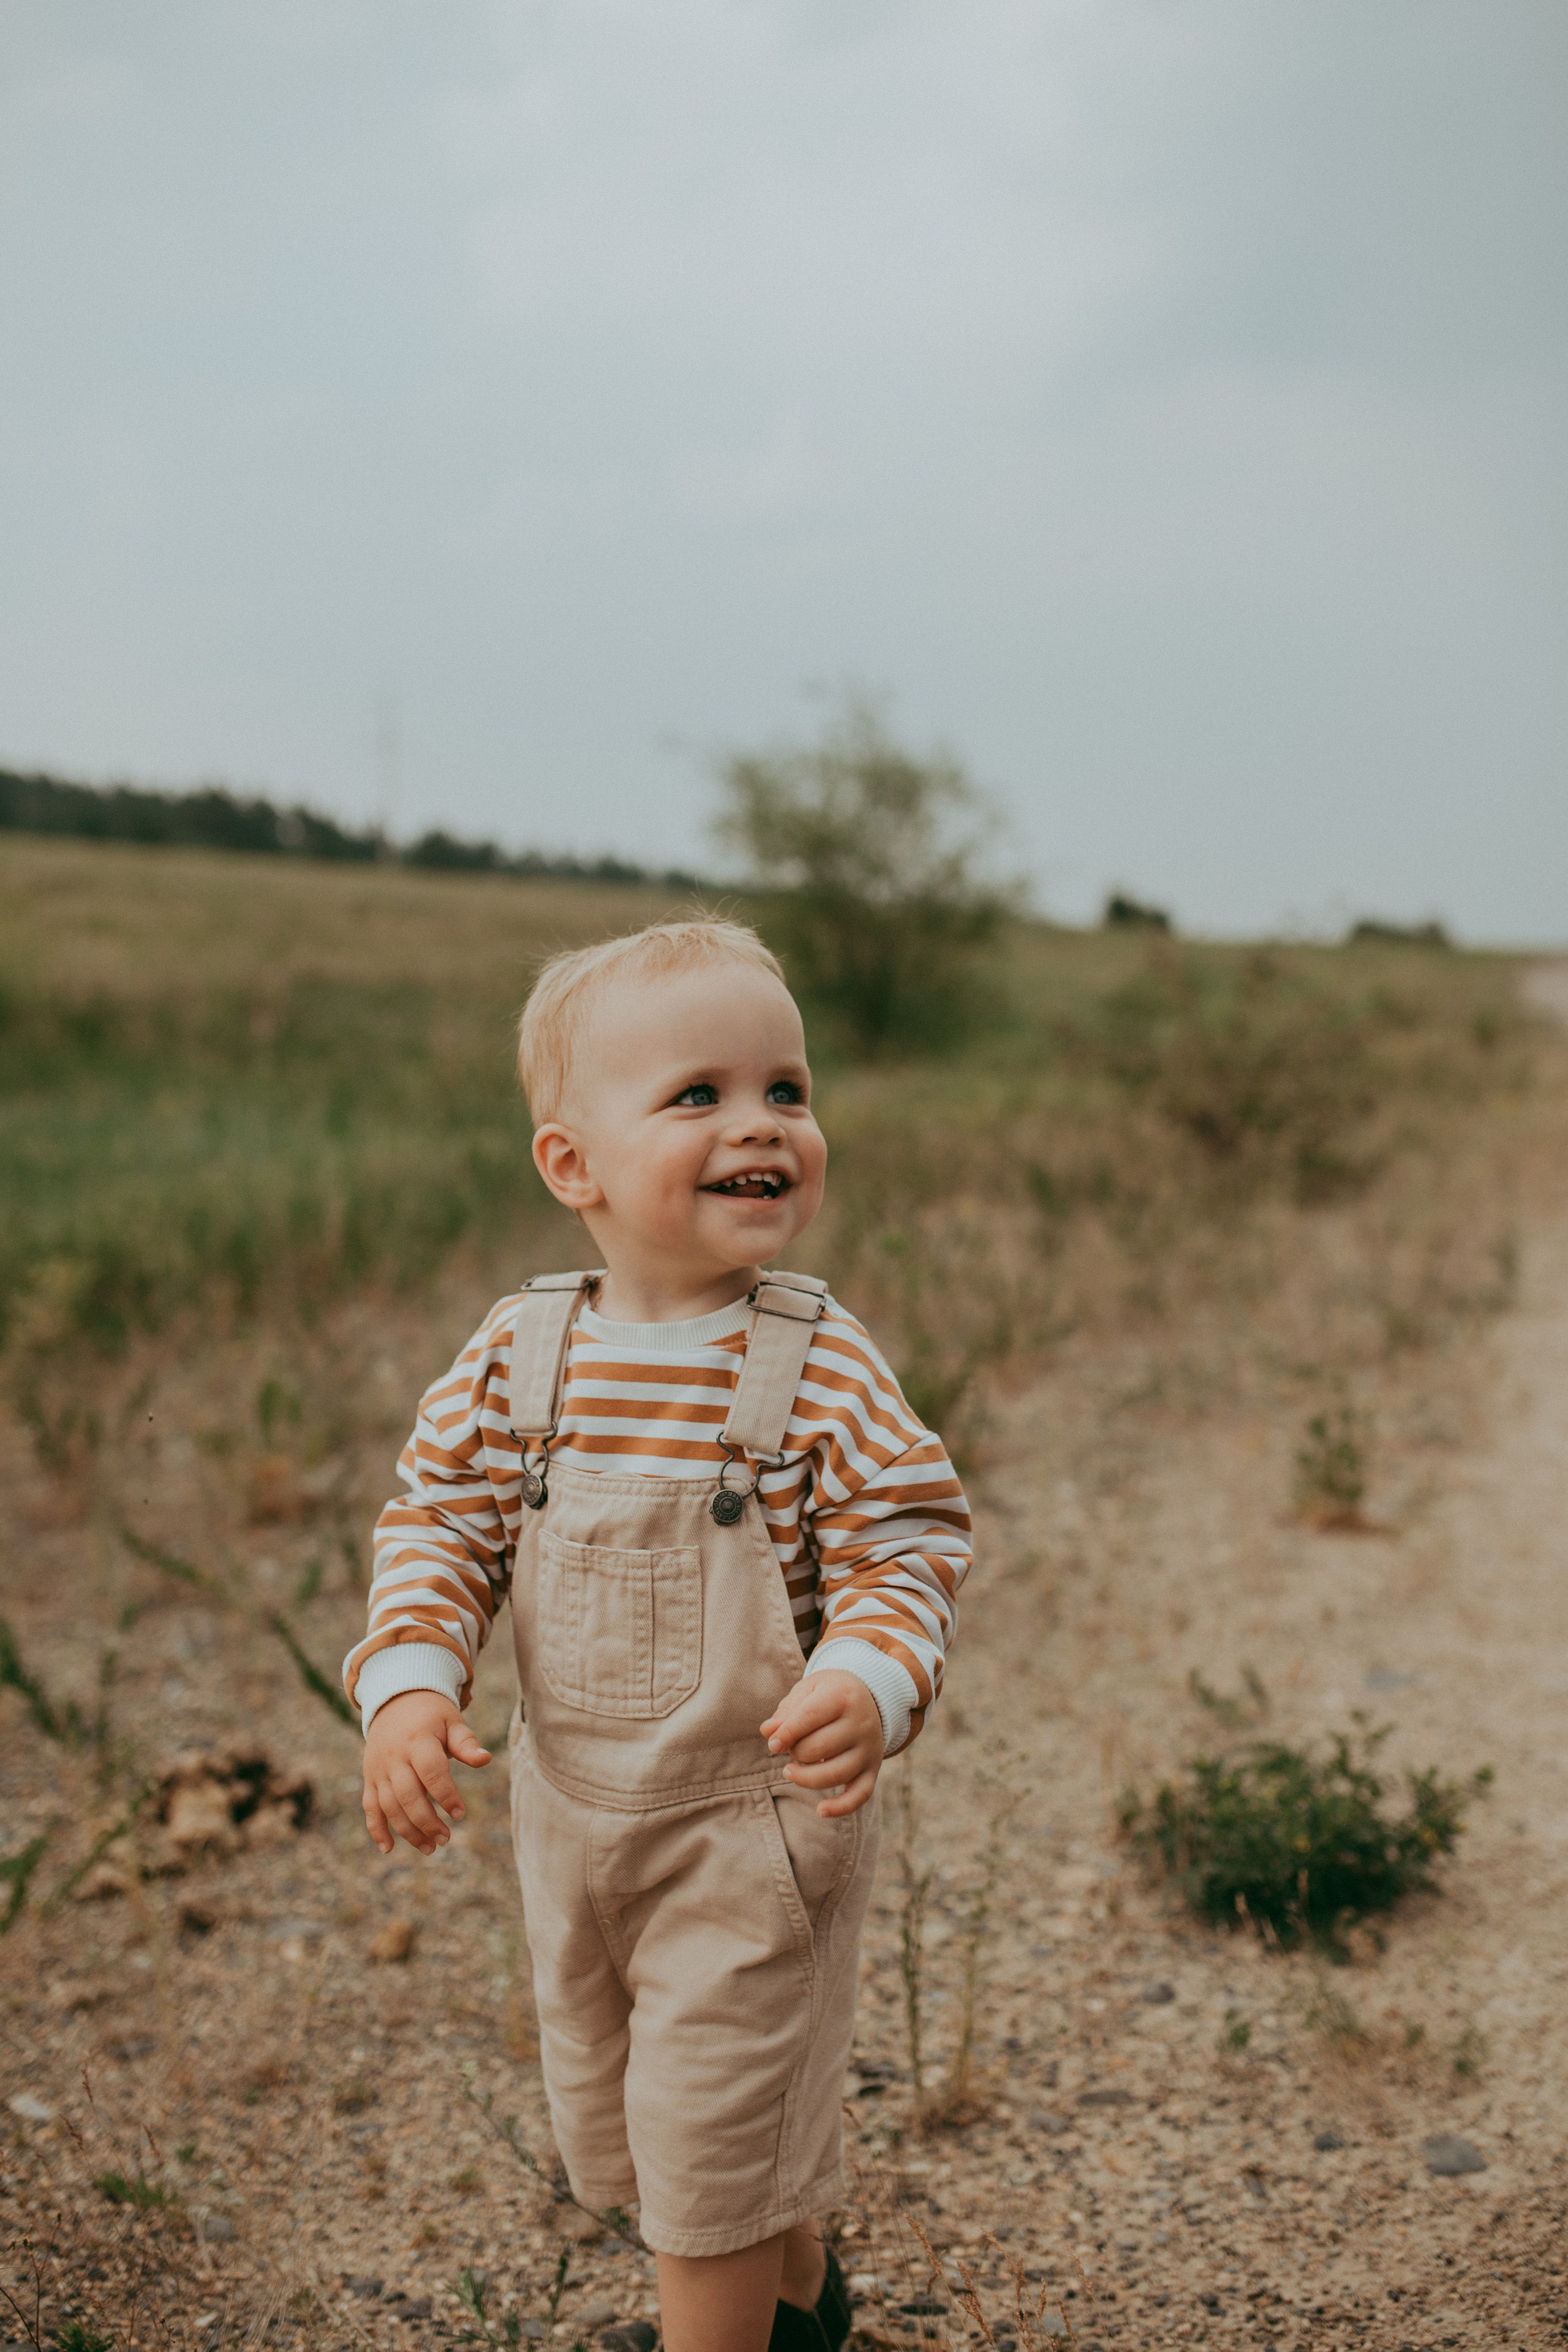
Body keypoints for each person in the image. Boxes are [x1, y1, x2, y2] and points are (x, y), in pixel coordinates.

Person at [345, 918, 971, 2352]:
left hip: (750, 1840)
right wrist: (407, 1688)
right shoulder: (522, 1353)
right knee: (646, 2130)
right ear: (572, 1165)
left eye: (786, 1090)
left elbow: (909, 1537)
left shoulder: (815, 1364)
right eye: (697, 1094)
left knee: (702, 2147)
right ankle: (800, 2306)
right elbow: (438, 1524)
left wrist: (871, 1673)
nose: (759, 1125)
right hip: (574, 1831)